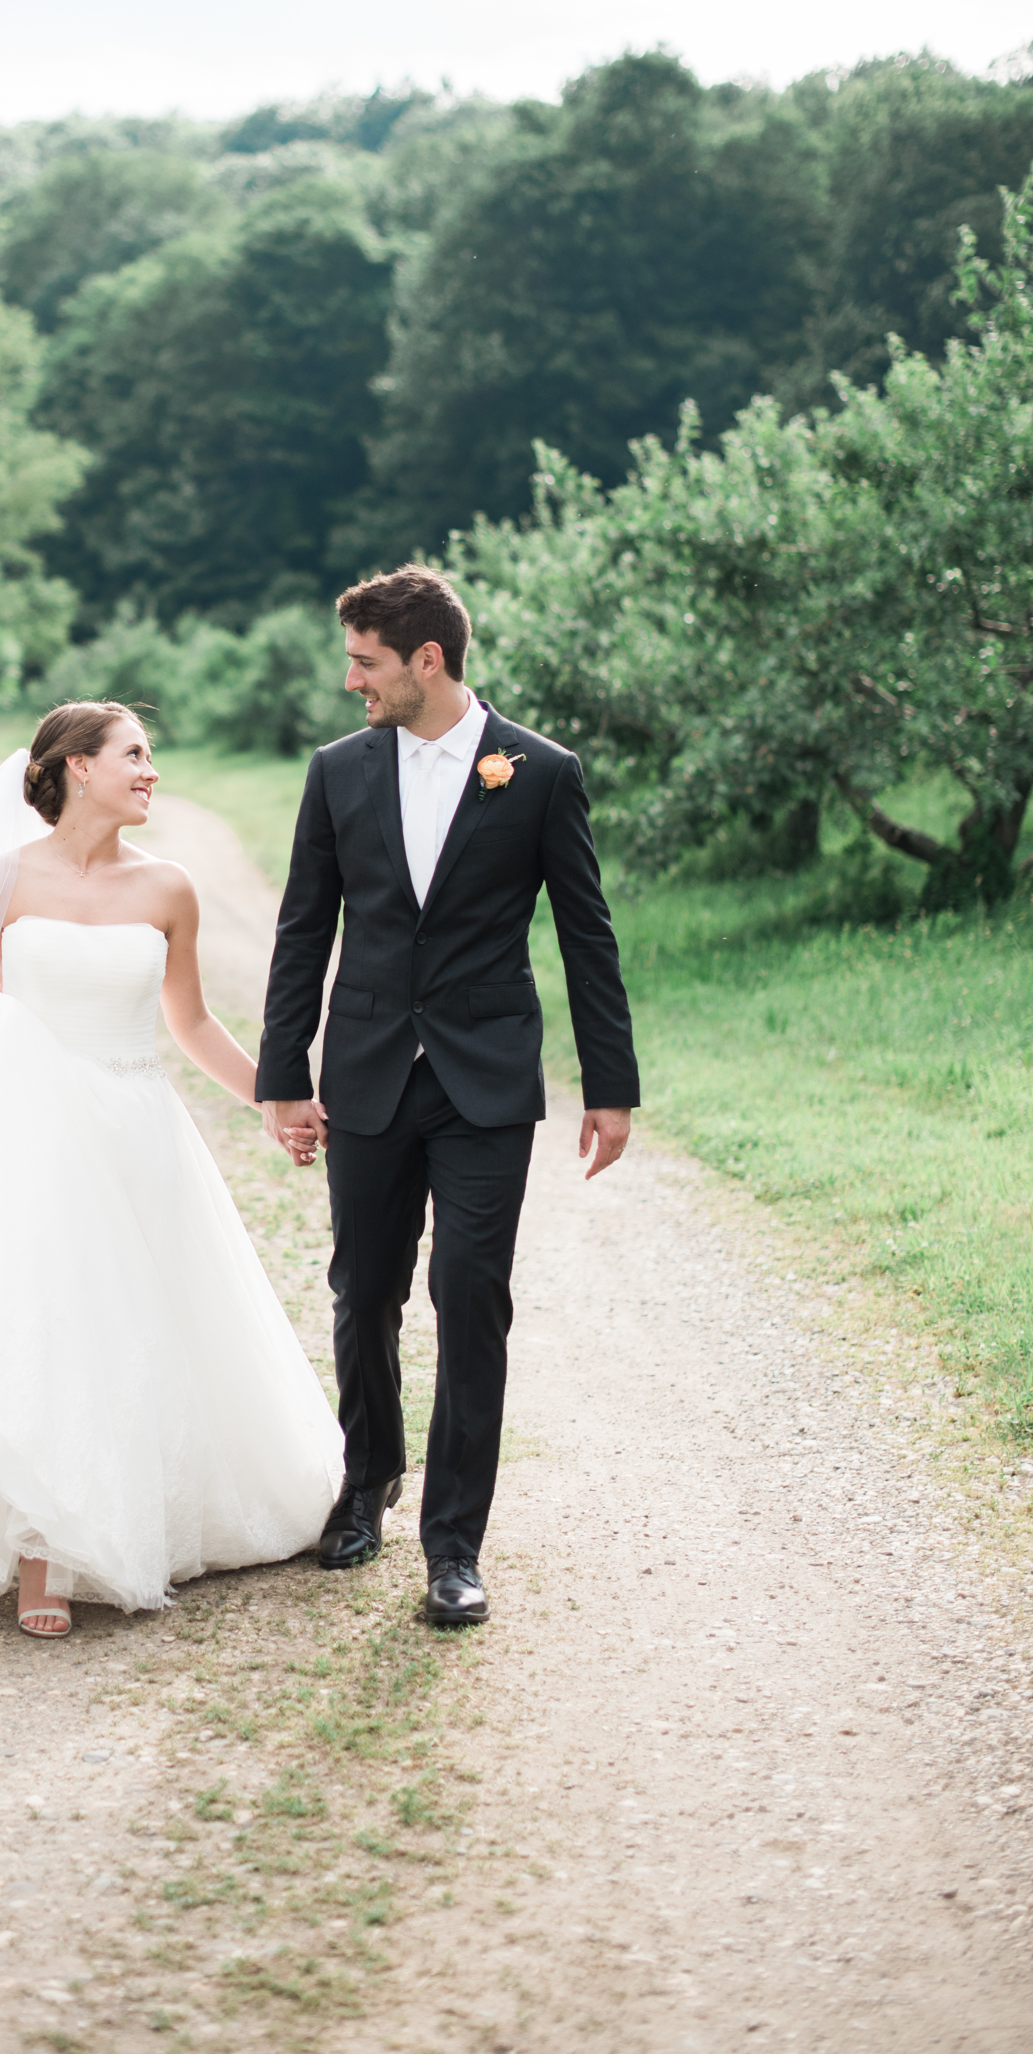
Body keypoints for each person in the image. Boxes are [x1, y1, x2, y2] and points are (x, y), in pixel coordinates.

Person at [0, 701, 343, 1638]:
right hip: (27, 1131)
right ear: (78, 767)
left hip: (132, 1126)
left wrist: (275, 1098)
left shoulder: (169, 888)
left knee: (127, 1331)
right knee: (43, 1324)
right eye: (135, 755)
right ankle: (40, 1554)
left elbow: (190, 1023)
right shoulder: (4, 879)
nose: (152, 771)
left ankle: (107, 1521)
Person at [256, 567, 640, 1629]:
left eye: (366, 661)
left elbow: (585, 930)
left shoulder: (543, 772)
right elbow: (303, 929)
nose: (351, 680)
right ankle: (365, 1477)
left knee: (470, 1299)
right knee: (363, 1289)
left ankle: (454, 1546)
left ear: (428, 659)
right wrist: (282, 1073)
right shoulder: (337, 772)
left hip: (484, 1078)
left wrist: (608, 1085)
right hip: (370, 1068)